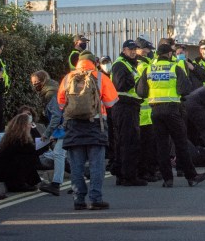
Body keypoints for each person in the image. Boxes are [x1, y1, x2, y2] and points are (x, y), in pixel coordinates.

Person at [135, 43, 205, 188]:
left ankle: (167, 179)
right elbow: (185, 89)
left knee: (162, 146)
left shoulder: (149, 69)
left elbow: (141, 92)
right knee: (181, 144)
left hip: (155, 111)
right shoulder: (175, 68)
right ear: (169, 54)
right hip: (173, 110)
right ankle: (191, 176)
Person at [58, 52, 119, 210]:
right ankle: (96, 199)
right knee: (96, 165)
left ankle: (78, 199)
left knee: (76, 165)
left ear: (79, 62)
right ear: (94, 63)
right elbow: (111, 102)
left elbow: (60, 103)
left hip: (73, 126)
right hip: (95, 125)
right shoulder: (100, 77)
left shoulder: (67, 78)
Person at [110, 39, 145, 187]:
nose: (133, 51)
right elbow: (121, 85)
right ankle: (128, 176)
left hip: (130, 106)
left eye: (134, 49)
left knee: (126, 142)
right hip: (124, 106)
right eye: (130, 49)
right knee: (128, 142)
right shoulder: (120, 64)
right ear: (124, 50)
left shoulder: (130, 64)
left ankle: (123, 174)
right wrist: (134, 81)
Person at [32, 70, 65, 196]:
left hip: (65, 127)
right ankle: (79, 182)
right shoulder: (52, 89)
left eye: (36, 82)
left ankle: (56, 184)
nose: (35, 85)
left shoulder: (50, 94)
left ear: (43, 80)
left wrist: (47, 133)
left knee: (58, 153)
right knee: (69, 155)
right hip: (66, 127)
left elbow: (56, 116)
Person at [133, 38, 160, 182]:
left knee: (149, 145)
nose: (148, 53)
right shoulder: (141, 66)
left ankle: (150, 170)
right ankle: (145, 172)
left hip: (147, 112)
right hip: (143, 113)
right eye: (145, 51)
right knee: (145, 146)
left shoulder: (146, 64)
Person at [0, 112, 42, 192]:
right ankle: (20, 184)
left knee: (29, 157)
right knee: (28, 158)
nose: (30, 126)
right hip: (7, 173)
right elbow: (33, 152)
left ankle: (32, 181)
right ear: (23, 126)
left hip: (4, 170)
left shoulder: (12, 136)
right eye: (29, 124)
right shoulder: (18, 140)